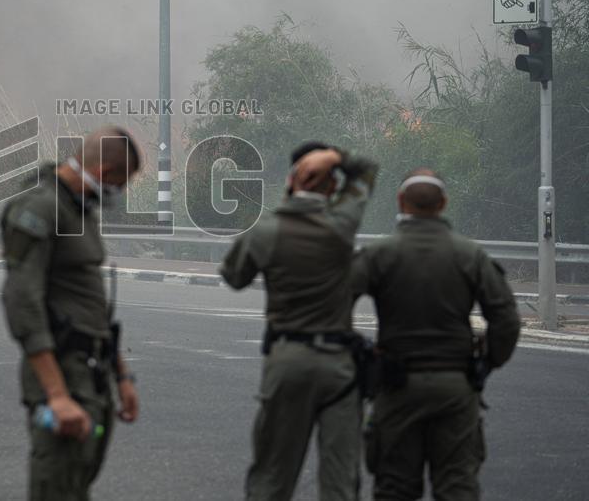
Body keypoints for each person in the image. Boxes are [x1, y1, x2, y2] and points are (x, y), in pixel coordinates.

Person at [219, 142, 378, 501]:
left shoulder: (267, 231)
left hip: (287, 361)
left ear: (291, 181)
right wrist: (337, 157)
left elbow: (234, 275)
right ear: (333, 187)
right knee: (340, 481)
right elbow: (366, 169)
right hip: (340, 366)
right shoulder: (342, 224)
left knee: (272, 475)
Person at [351, 169, 520, 501]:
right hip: (455, 386)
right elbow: (506, 320)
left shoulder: (379, 255)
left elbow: (333, 306)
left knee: (395, 487)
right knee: (457, 486)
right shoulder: (470, 255)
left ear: (401, 201)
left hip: (396, 386)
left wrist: (364, 356)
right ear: (443, 203)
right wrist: (486, 363)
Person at [0, 126, 142, 501]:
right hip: (63, 375)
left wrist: (122, 377)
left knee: (76, 485)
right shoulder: (39, 208)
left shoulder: (79, 211)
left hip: (91, 377)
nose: (118, 192)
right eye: (120, 182)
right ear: (103, 170)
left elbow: (92, 304)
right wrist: (56, 395)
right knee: (56, 486)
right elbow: (21, 300)